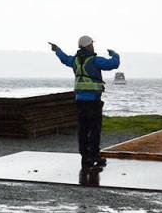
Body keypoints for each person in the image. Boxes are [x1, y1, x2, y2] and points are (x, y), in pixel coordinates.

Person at [51, 36, 120, 170]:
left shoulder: (75, 60)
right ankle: (94, 156)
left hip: (80, 101)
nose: (93, 46)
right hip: (93, 101)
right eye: (91, 44)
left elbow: (64, 58)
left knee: (83, 129)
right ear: (87, 46)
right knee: (94, 129)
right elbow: (113, 64)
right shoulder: (94, 60)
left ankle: (85, 156)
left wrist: (57, 50)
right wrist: (114, 54)